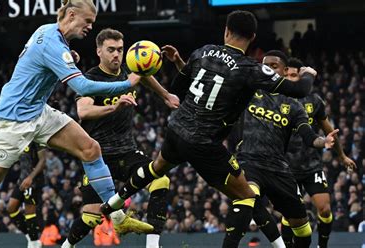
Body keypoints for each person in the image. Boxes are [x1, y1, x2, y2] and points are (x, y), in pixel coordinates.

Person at [0, 1, 148, 247]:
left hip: (38, 111)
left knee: (90, 149)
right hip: (14, 120)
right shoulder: (52, 43)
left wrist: (68, 58)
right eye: (88, 21)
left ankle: (118, 217)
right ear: (72, 14)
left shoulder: (48, 32)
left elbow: (41, 62)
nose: (90, 27)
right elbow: (82, 87)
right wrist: (127, 83)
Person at [101, 10, 318, 248]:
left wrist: (179, 64)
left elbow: (178, 88)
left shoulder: (203, 51)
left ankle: (113, 203)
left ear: (226, 30)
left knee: (156, 168)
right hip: (204, 143)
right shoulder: (249, 67)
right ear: (253, 36)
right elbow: (299, 91)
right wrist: (307, 75)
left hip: (177, 128)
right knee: (246, 195)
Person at [62, 28, 178, 248]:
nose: (116, 54)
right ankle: (66, 246)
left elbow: (143, 75)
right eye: (111, 50)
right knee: (92, 217)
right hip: (97, 156)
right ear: (99, 51)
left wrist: (166, 95)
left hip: (126, 152)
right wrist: (115, 105)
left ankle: (152, 245)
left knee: (160, 179)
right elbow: (83, 112)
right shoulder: (90, 79)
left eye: (120, 50)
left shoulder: (129, 71)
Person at [236, 50, 337, 248]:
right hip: (268, 164)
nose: (269, 69)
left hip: (297, 167)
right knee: (252, 200)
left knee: (314, 219)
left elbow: (313, 136)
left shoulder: (302, 104)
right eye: (266, 65)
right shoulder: (255, 92)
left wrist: (326, 144)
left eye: (293, 75)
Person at [282, 57, 356, 248]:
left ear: (301, 77)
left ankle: (322, 245)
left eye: (293, 75)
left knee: (324, 209)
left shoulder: (314, 101)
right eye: (287, 75)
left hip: (311, 165)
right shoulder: (276, 98)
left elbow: (329, 130)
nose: (290, 79)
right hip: (286, 167)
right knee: (290, 215)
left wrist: (342, 156)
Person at [6, 142, 47, 248]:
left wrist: (31, 177)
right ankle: (30, 235)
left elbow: (43, 161)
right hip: (22, 178)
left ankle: (34, 242)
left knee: (29, 211)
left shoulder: (37, 138)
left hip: (34, 180)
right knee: (11, 208)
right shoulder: (21, 138)